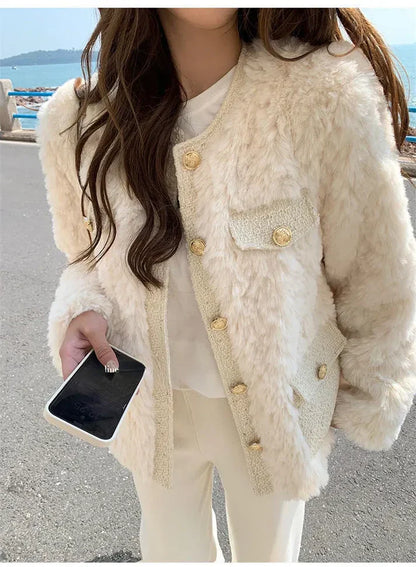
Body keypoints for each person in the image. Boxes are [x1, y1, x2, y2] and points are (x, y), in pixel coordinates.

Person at [37, 7, 416, 562]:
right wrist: (81, 307)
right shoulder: (78, 119)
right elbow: (82, 255)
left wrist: (372, 388)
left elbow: (377, 268)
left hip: (279, 403)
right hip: (150, 400)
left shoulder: (327, 95)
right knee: (170, 554)